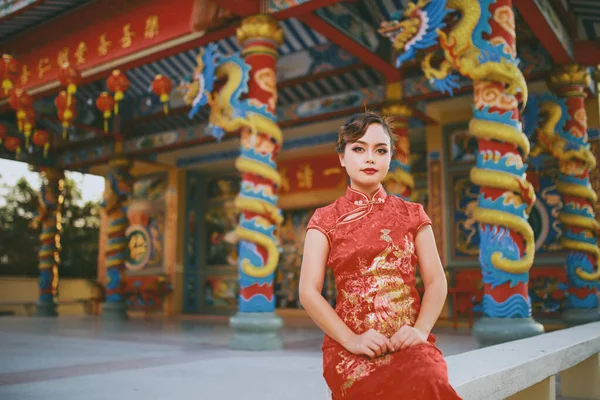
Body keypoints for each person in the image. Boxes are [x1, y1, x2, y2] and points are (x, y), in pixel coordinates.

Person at [299, 112, 461, 399]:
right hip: (349, 347)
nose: (370, 158)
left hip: (407, 342)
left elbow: (436, 281)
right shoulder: (325, 219)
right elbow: (308, 292)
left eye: (380, 150)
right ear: (342, 157)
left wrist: (421, 330)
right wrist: (351, 339)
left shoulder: (412, 214)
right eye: (359, 149)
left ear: (390, 158)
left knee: (429, 378)